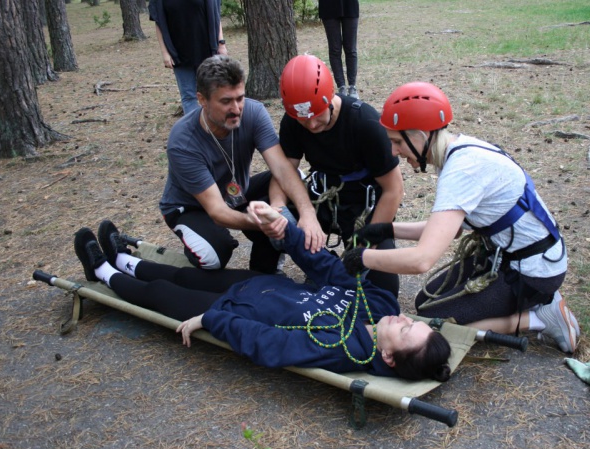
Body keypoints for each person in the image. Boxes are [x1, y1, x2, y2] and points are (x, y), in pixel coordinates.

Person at [72, 203, 452, 382]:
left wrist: (213, 319)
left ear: (387, 357)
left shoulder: (341, 348)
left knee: (158, 292)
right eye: (412, 323)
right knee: (179, 275)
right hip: (261, 285)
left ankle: (102, 271)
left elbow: (270, 344)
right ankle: (123, 258)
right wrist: (287, 233)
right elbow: (328, 269)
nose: (403, 317)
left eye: (404, 330)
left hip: (231, 312)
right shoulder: (380, 304)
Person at [341, 82, 579, 354]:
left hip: (533, 272)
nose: (394, 151)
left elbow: (422, 260)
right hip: (511, 257)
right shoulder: (462, 150)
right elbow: (449, 231)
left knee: (439, 321)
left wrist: (362, 258)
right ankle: (530, 303)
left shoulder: (461, 172)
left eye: (396, 141)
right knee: (425, 302)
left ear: (420, 135)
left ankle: (540, 317)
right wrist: (385, 230)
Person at [159, 55, 324, 274]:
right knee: (214, 255)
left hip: (234, 192)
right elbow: (217, 211)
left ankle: (264, 270)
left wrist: (306, 213)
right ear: (202, 99)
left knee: (295, 183)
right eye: (226, 101)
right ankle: (204, 239)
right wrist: (266, 223)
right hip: (193, 207)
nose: (236, 109)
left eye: (240, 98)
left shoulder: (254, 112)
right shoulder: (183, 142)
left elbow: (283, 169)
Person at [271, 54, 403, 296]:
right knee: (274, 220)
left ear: (330, 97)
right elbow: (283, 172)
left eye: (317, 115)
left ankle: (337, 263)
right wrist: (280, 211)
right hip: (322, 196)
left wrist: (364, 246)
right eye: (303, 119)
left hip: (363, 204)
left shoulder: (365, 123)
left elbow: (394, 189)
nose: (311, 126)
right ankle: (279, 267)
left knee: (383, 289)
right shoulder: (292, 122)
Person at [149, 0, 227, 115]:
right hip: (179, 54)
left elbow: (216, 15)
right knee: (188, 96)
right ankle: (196, 130)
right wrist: (165, 53)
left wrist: (221, 44)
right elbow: (159, 22)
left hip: (208, 52)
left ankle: (216, 127)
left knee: (213, 93)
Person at [319, 0, 360, 99]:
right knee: (335, 50)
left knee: (351, 49)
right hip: (328, 6)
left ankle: (352, 86)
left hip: (350, 5)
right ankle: (341, 87)